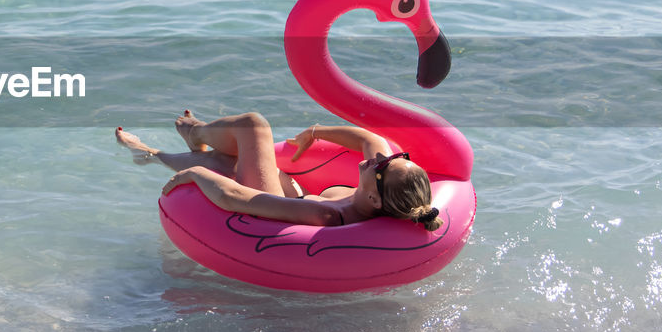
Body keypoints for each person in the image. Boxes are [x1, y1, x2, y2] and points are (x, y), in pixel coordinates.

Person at [115, 110, 441, 230]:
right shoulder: (376, 187)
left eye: (382, 165)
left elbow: (240, 199)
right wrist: (314, 132)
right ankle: (153, 154)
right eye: (393, 157)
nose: (380, 158)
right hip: (295, 193)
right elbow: (369, 138)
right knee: (227, 161)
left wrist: (195, 176)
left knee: (251, 128)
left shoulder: (328, 216)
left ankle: (186, 137)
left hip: (269, 201)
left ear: (374, 196)